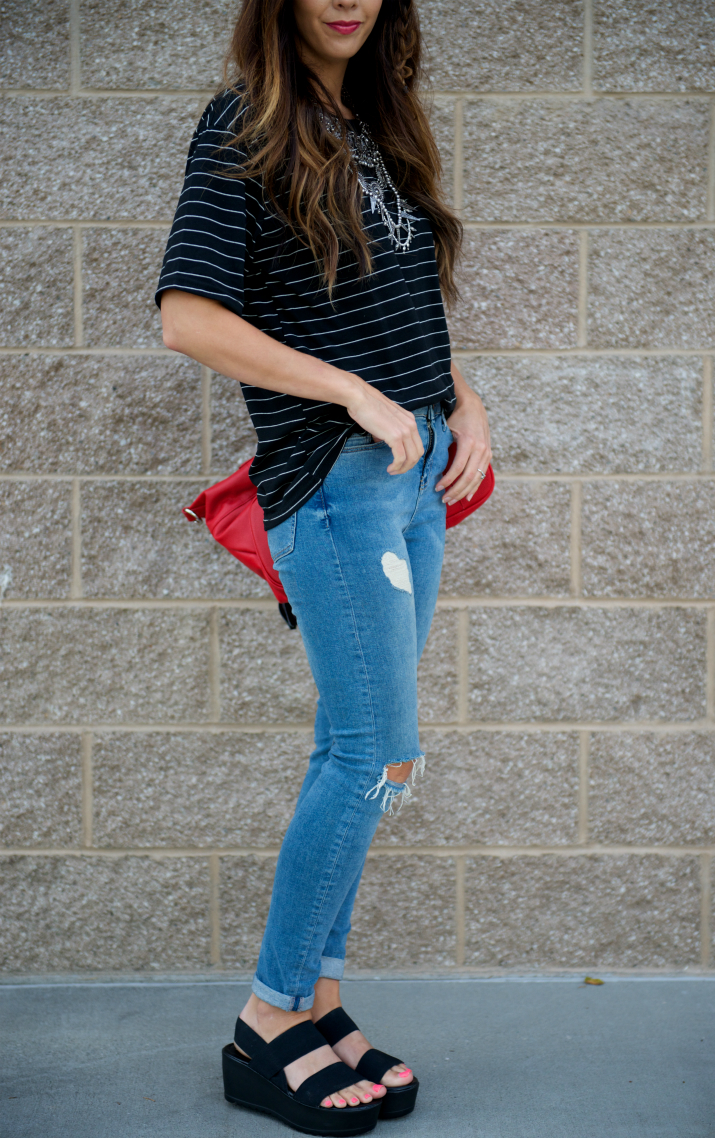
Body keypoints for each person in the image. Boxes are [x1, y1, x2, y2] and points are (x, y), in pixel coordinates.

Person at [157, 0, 491, 1132]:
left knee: (361, 758)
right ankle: (265, 1023)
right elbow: (190, 318)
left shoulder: (382, 131)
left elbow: (403, 309)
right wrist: (349, 391)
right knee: (372, 755)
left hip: (415, 481)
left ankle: (322, 1002)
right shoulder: (242, 125)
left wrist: (465, 405)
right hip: (335, 481)